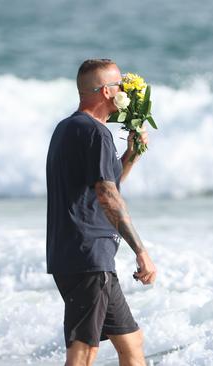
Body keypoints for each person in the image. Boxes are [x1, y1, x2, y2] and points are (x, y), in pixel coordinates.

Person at [46, 58, 157, 366]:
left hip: (76, 255)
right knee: (83, 354)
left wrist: (131, 156)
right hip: (88, 258)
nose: (125, 90)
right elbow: (107, 195)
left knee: (132, 342)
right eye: (120, 85)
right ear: (107, 92)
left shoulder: (67, 128)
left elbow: (102, 184)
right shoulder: (96, 133)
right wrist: (141, 250)